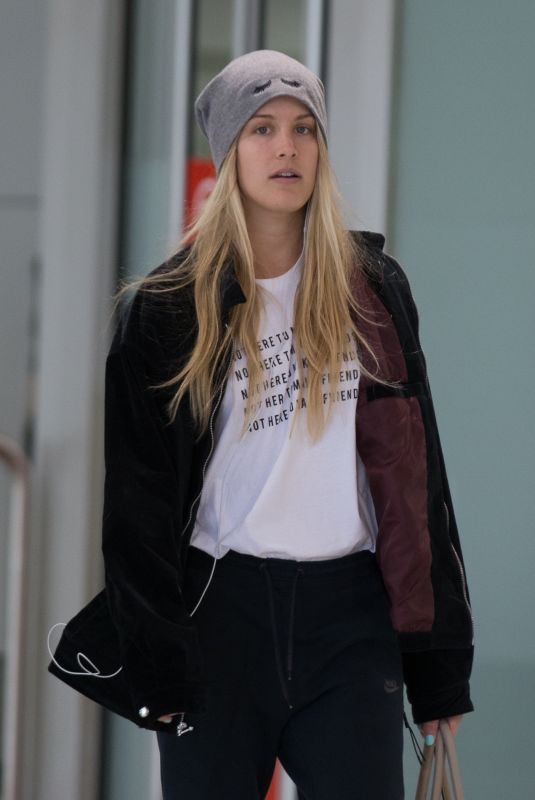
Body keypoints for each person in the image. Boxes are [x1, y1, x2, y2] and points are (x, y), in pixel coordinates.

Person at [49, 50, 474, 799]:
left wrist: (438, 672)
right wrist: (159, 662)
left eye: (304, 129)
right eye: (263, 129)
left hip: (350, 619)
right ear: (229, 151)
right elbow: (138, 513)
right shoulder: (167, 309)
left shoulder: (372, 289)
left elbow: (418, 483)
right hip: (219, 616)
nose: (287, 148)